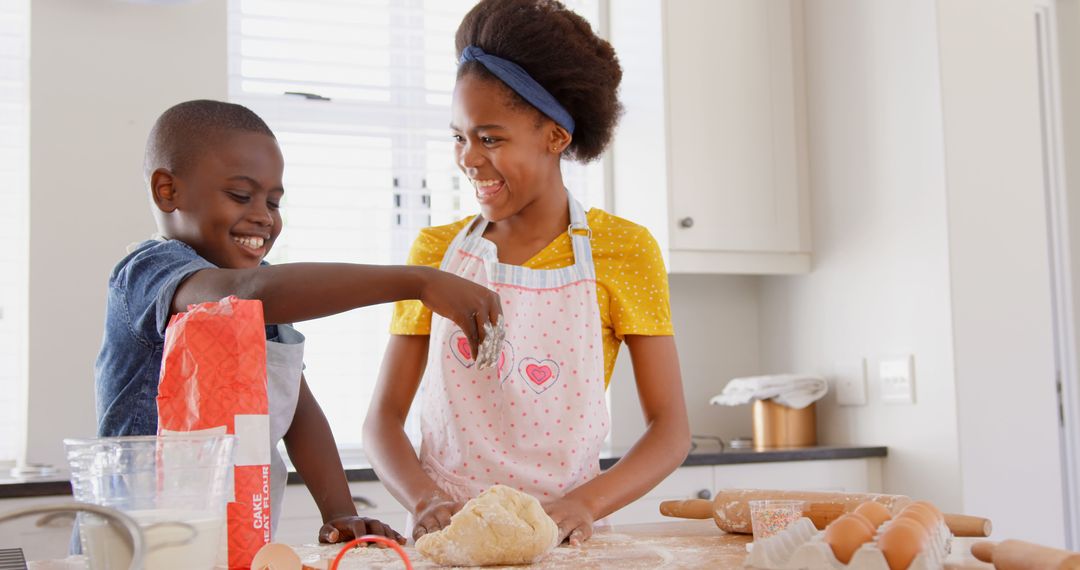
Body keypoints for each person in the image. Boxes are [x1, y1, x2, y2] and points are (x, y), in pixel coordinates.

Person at [94, 99, 502, 545]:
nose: (264, 217)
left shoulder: (264, 291)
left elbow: (299, 411)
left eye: (273, 201)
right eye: (240, 195)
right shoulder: (149, 271)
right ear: (167, 191)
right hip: (136, 545)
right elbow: (249, 295)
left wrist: (342, 512)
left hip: (234, 541)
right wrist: (417, 281)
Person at [363, 0, 691, 546]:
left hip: (565, 539)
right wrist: (426, 500)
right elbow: (383, 419)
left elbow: (671, 430)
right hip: (450, 537)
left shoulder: (625, 250)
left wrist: (582, 504)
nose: (468, 158)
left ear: (555, 138)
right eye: (459, 136)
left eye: (489, 138)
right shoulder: (435, 254)